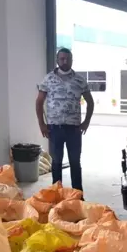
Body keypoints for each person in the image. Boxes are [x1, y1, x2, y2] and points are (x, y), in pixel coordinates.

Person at [36, 48, 94, 192]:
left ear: (72, 60)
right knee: (56, 162)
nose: (65, 61)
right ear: (57, 60)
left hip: (74, 129)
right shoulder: (48, 79)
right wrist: (42, 124)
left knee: (75, 162)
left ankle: (77, 195)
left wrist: (86, 122)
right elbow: (39, 102)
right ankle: (57, 194)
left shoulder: (79, 80)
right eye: (62, 59)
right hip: (54, 128)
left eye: (68, 59)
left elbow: (90, 102)